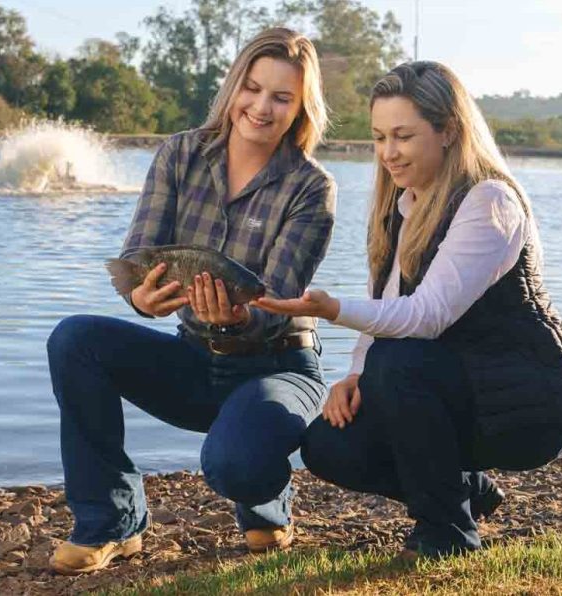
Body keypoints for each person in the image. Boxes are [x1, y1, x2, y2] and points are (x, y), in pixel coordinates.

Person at [253, 61, 562, 559]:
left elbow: (425, 316)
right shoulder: (402, 204)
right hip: (450, 392)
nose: (388, 153)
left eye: (404, 136)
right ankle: (464, 492)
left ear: (449, 131)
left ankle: (447, 535)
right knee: (329, 445)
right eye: (379, 137)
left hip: (530, 405)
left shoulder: (490, 201)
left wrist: (330, 309)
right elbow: (388, 304)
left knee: (398, 361)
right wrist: (354, 375)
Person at [46, 27, 335, 575]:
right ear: (233, 87)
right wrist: (143, 300)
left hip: (278, 366)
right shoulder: (179, 153)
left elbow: (276, 300)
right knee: (74, 340)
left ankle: (266, 502)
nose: (261, 107)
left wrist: (236, 319)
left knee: (234, 465)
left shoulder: (311, 187)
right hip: (193, 356)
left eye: (282, 97)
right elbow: (136, 260)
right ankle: (110, 523)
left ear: (301, 108)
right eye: (252, 88)